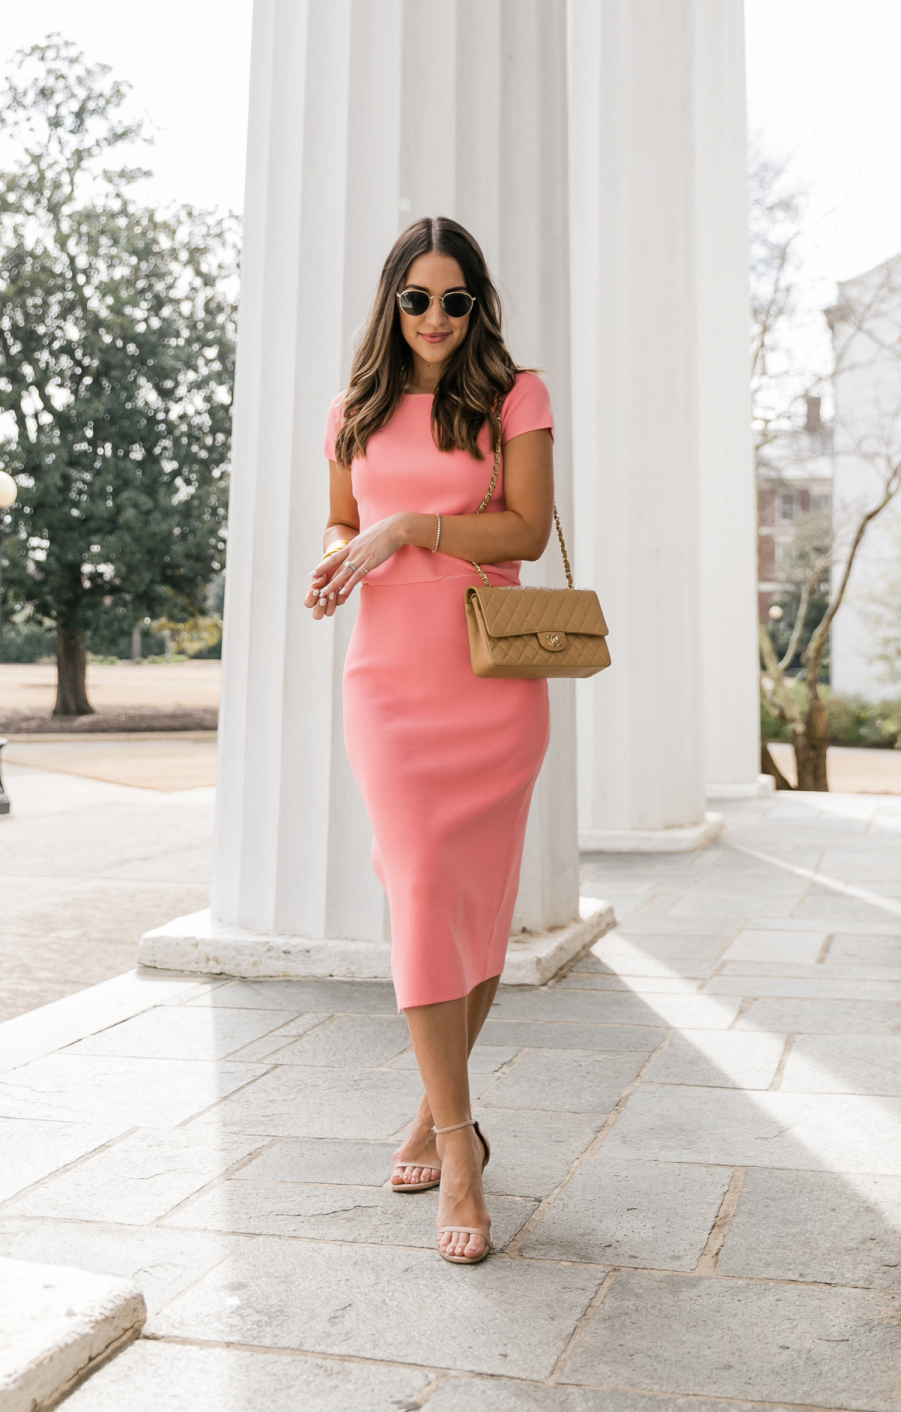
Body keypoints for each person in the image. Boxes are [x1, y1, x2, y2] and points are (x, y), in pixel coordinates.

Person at [304, 217, 554, 1264]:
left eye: (456, 300)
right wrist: (337, 559)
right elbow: (336, 517)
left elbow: (527, 533)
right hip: (388, 682)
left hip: (489, 682)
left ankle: (430, 1115)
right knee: (418, 889)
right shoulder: (354, 409)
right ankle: (460, 1142)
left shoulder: (514, 396)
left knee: (475, 908)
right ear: (391, 303)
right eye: (419, 299)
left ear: (477, 303)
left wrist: (406, 530)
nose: (438, 318)